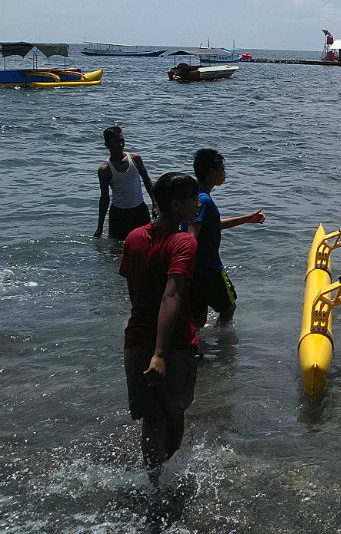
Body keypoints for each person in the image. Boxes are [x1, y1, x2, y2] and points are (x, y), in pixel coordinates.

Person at [119, 171, 201, 485]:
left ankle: (153, 483)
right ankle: (161, 477)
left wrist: (149, 344)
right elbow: (173, 294)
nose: (198, 205)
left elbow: (134, 292)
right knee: (174, 415)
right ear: (177, 205)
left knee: (152, 420)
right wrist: (160, 353)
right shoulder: (183, 242)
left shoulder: (134, 237)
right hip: (173, 345)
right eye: (193, 200)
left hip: (135, 340)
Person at [183, 149, 265, 327]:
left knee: (198, 316)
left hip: (194, 270)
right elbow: (191, 234)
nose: (225, 174)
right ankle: (223, 346)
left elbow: (213, 224)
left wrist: (247, 219)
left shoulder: (196, 197)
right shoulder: (204, 200)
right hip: (208, 268)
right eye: (222, 169)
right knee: (228, 307)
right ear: (211, 172)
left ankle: (197, 346)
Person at [94, 126, 157, 239]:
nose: (120, 144)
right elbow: (104, 198)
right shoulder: (105, 169)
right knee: (116, 250)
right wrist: (100, 226)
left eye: (122, 140)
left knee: (146, 243)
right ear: (107, 145)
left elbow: (147, 181)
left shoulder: (135, 158)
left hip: (140, 210)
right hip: (119, 214)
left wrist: (155, 204)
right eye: (116, 141)